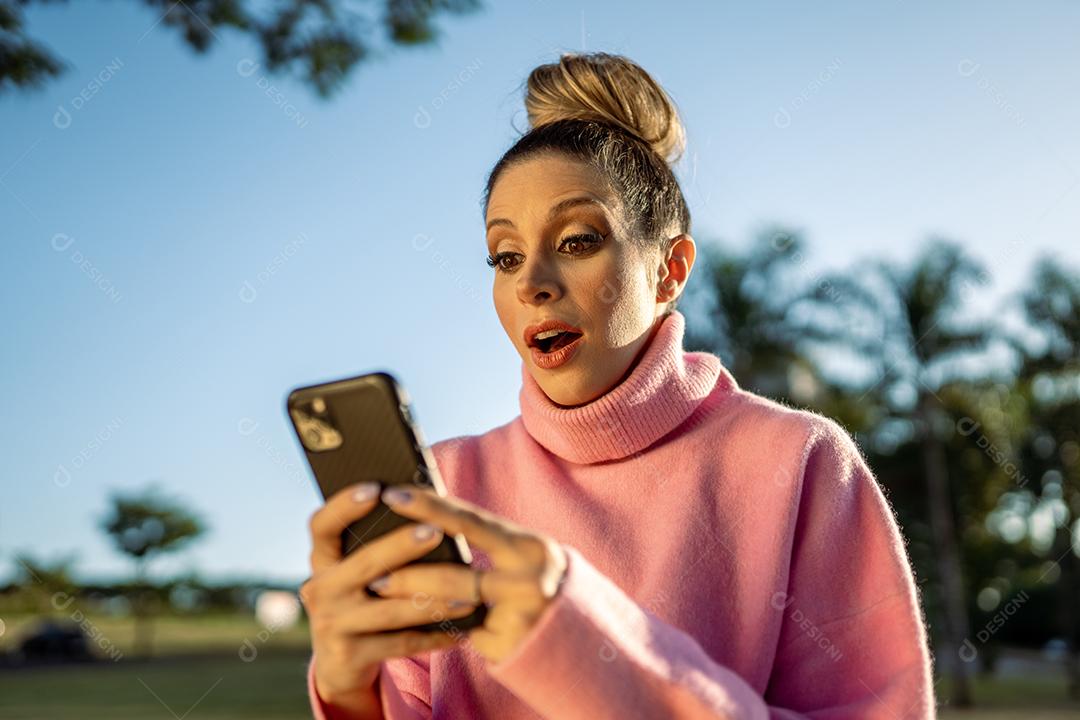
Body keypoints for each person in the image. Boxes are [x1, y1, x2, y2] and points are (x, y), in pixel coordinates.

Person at [300, 51, 936, 719]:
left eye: (576, 240)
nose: (530, 281)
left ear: (669, 268)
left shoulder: (799, 459)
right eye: (505, 255)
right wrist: (348, 695)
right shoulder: (446, 484)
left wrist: (579, 646)